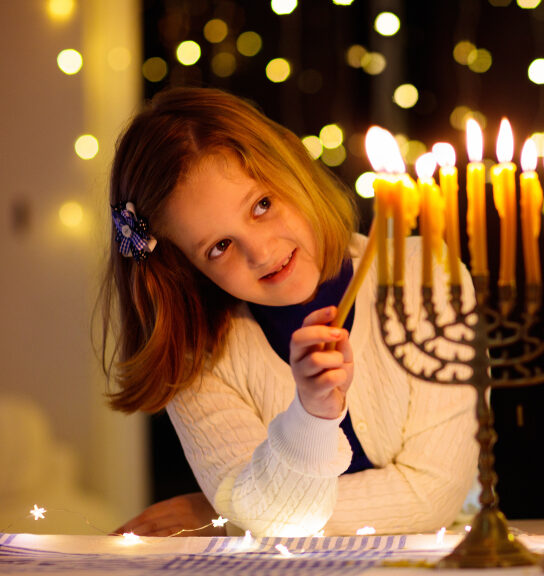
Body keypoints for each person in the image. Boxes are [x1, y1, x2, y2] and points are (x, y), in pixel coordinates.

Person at [100, 87, 478, 537]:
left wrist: (230, 517)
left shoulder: (423, 274)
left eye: (262, 205)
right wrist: (312, 416)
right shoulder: (195, 354)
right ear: (187, 267)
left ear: (294, 171)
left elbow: (431, 499)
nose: (261, 254)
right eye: (219, 247)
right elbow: (268, 516)